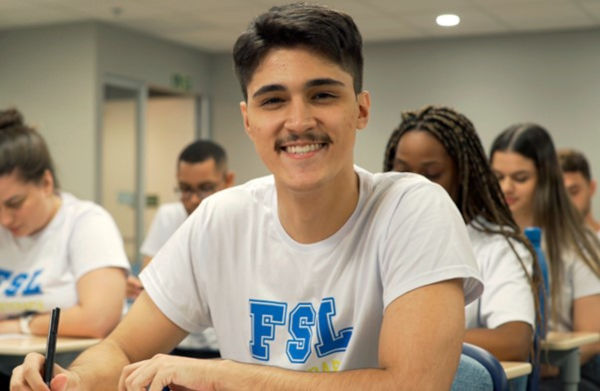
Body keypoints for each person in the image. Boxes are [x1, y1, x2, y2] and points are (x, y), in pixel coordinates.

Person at [10, 4, 483, 390]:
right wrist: (73, 380)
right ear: (248, 119)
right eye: (273, 100)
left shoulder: (413, 208)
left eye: (321, 95)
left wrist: (225, 376)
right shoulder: (222, 218)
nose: (297, 121)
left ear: (360, 110)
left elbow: (411, 385)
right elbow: (120, 349)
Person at [383, 105, 540, 362]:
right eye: (401, 172)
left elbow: (514, 342)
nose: (413, 185)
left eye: (431, 175)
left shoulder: (496, 247)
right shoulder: (378, 240)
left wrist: (413, 337)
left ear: (463, 177)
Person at [0, 109, 129, 386]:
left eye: (15, 204)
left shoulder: (85, 223)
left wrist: (18, 325)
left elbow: (99, 318)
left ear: (46, 183)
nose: (5, 219)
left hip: (71, 375)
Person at [490, 123, 600, 389]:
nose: (506, 187)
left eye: (520, 178)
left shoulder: (578, 242)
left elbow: (592, 337)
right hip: (504, 370)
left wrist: (536, 366)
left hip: (559, 375)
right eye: (498, 176)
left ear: (545, 178)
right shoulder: (484, 237)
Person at [127, 139, 234, 356]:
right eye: (185, 189)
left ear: (228, 181)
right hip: (173, 345)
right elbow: (149, 281)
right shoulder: (169, 217)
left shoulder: (241, 220)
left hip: (222, 352)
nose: (194, 200)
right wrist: (136, 287)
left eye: (205, 189)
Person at [558, 148, 600, 235]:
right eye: (560, 195)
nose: (567, 201)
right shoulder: (545, 244)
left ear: (592, 188)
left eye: (573, 191)